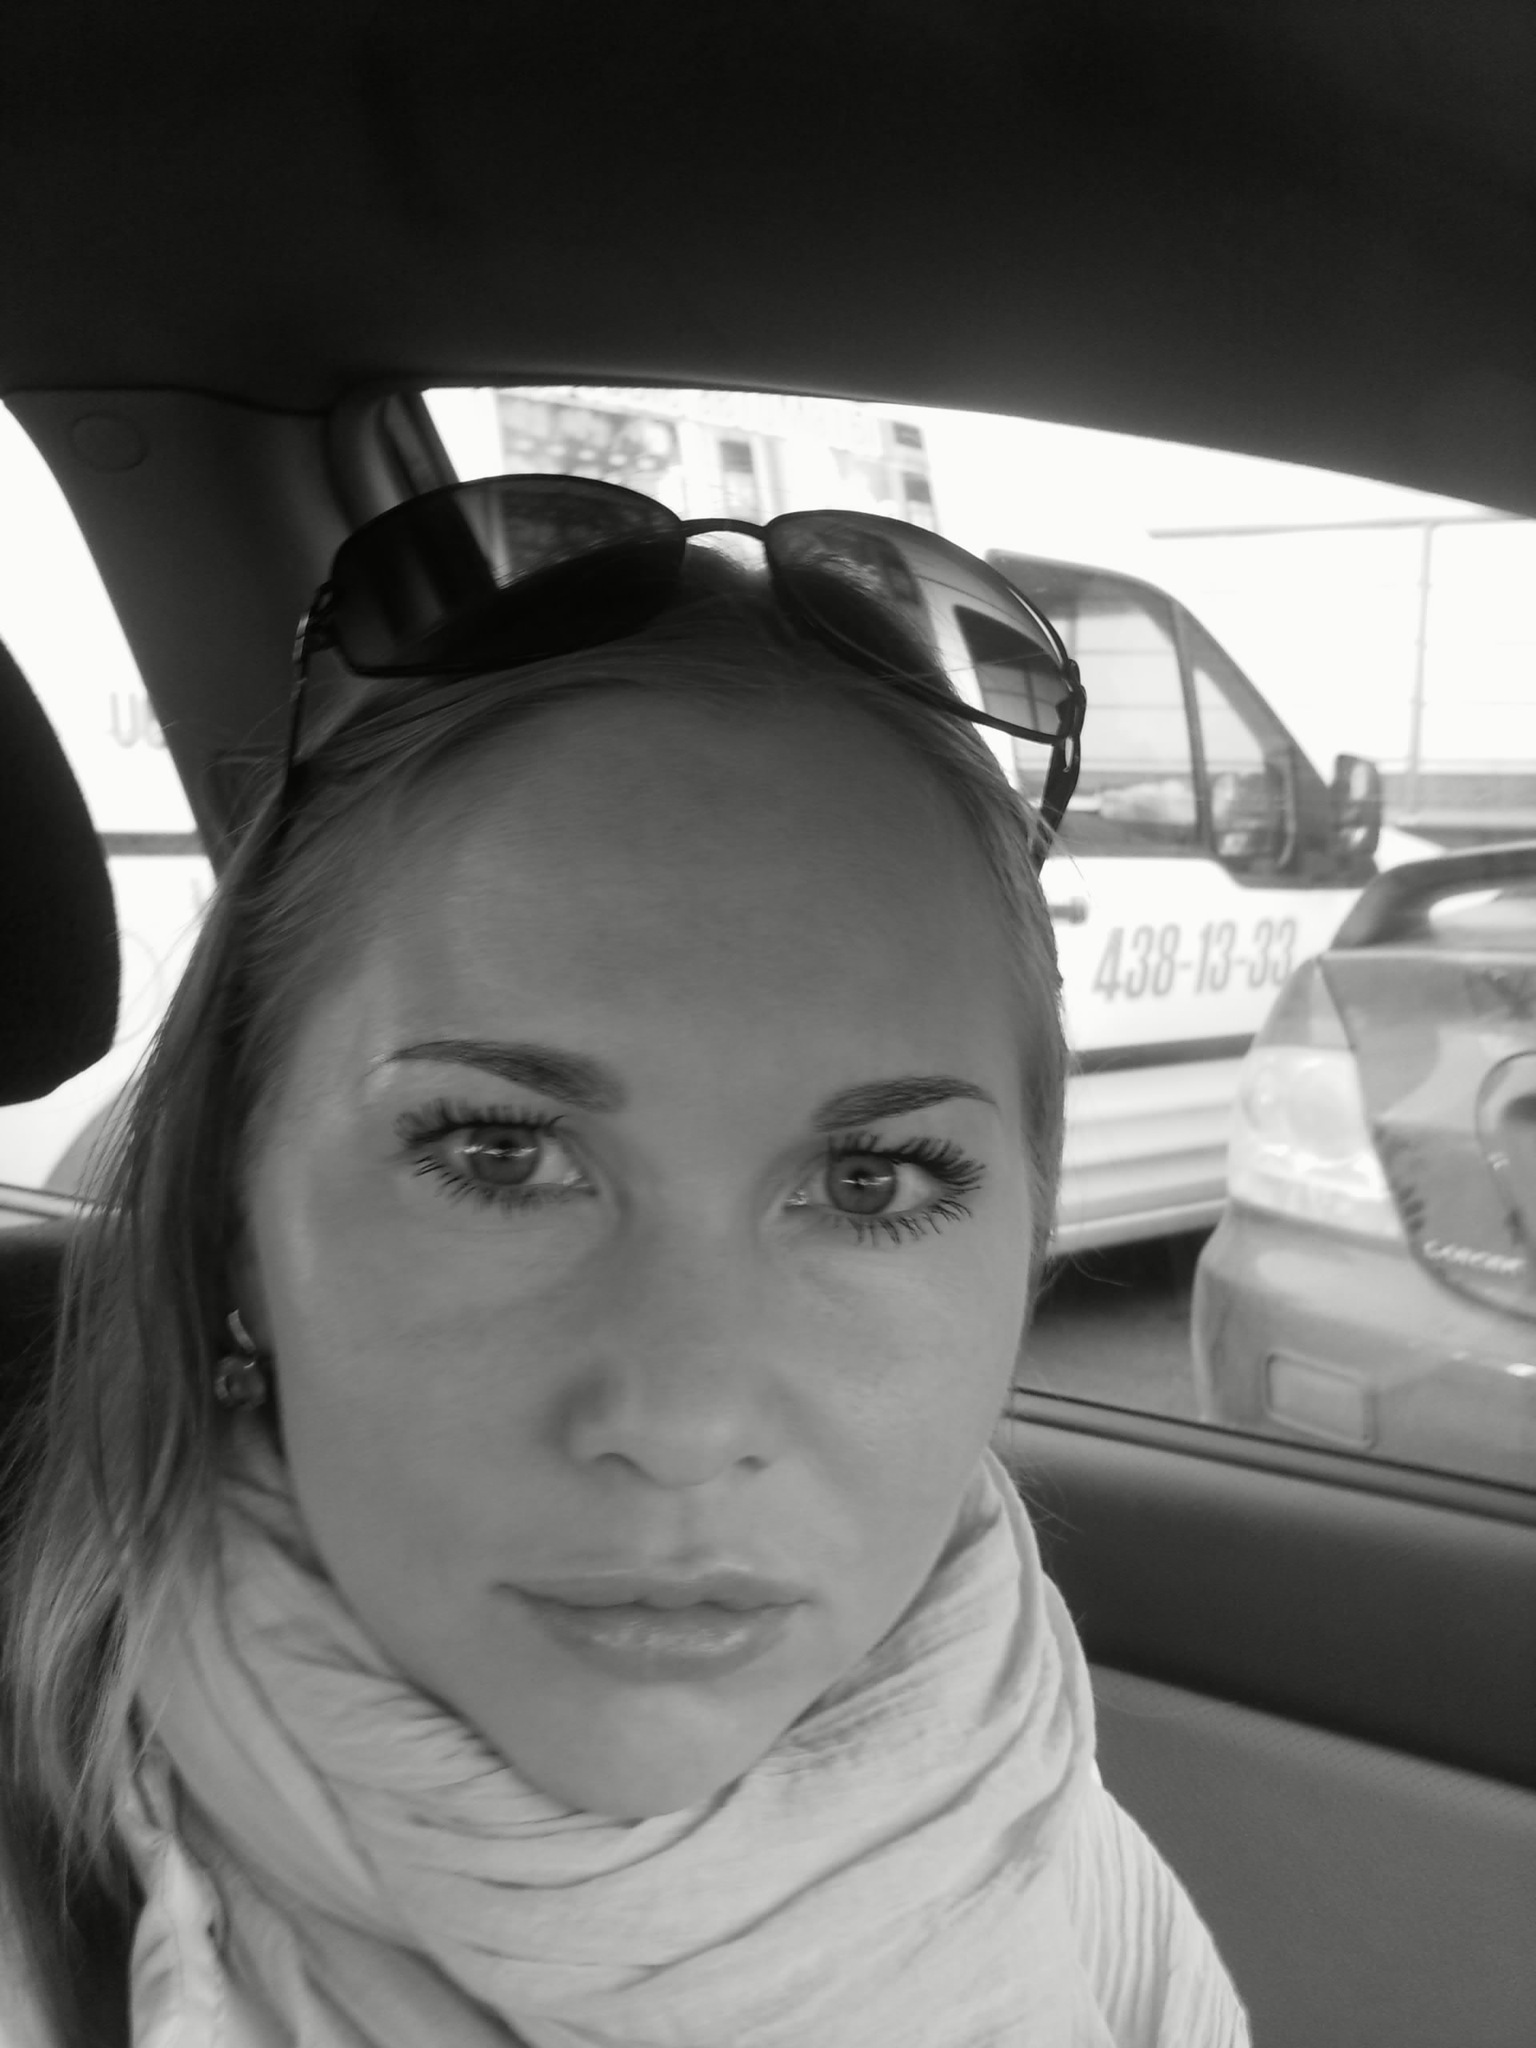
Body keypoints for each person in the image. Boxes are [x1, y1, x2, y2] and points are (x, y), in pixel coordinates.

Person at [0, 485, 1247, 2046]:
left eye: (869, 1182)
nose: (679, 1422)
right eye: (499, 1156)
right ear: (233, 1222)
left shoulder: (1084, 1887)